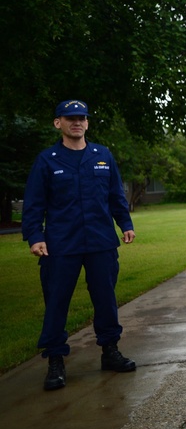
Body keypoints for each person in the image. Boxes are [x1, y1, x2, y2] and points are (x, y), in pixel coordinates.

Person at [21, 99, 138, 392]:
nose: (77, 122)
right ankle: (56, 361)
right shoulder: (47, 160)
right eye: (70, 118)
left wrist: (125, 223)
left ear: (87, 123)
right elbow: (34, 204)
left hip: (100, 241)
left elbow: (115, 195)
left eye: (81, 118)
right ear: (58, 123)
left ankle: (110, 351)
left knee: (105, 298)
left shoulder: (103, 156)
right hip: (61, 245)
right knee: (57, 302)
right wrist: (36, 236)